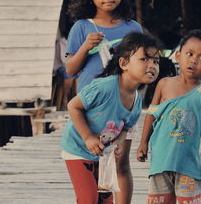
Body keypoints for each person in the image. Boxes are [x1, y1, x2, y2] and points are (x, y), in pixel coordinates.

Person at [65, 0, 143, 203]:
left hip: (121, 109)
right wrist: (85, 48)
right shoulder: (82, 27)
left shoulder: (133, 28)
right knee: (90, 167)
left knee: (119, 163)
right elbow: (70, 70)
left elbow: (142, 68)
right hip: (90, 109)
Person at [61, 32, 161, 204]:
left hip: (103, 154)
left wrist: (118, 144)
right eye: (144, 59)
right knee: (88, 199)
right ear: (124, 63)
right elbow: (73, 106)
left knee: (106, 199)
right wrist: (88, 137)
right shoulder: (105, 87)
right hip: (78, 148)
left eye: (156, 61)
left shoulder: (136, 100)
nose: (151, 65)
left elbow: (125, 128)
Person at [137, 29, 201, 204]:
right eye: (189, 54)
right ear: (178, 56)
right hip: (161, 161)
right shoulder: (164, 84)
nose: (194, 60)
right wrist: (143, 142)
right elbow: (151, 115)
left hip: (188, 165)